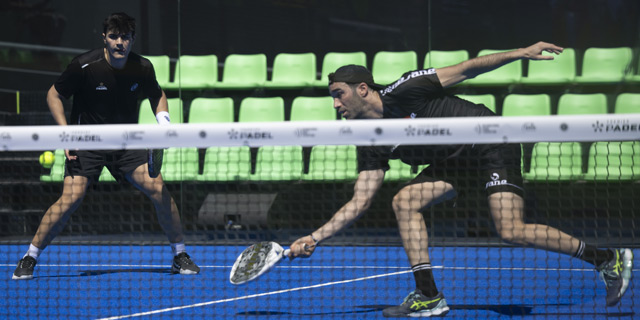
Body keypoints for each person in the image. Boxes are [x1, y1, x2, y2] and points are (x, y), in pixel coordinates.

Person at [288, 41, 633, 317]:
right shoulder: (369, 138)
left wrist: (521, 53)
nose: (336, 104)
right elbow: (360, 200)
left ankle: (606, 259)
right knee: (404, 201)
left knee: (510, 230)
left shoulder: (406, 89)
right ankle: (429, 296)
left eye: (339, 94)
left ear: (362, 89)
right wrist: (315, 237)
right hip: (454, 163)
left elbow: (468, 69)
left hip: (490, 141)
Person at [12, 12, 200, 280]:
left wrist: (164, 123)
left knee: (159, 188)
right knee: (70, 199)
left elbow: (157, 95)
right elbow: (54, 94)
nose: (119, 42)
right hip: (87, 143)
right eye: (114, 36)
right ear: (105, 38)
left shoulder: (143, 67)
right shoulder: (84, 66)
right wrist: (66, 135)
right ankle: (29, 257)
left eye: (125, 37)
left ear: (132, 39)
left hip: (125, 143)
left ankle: (180, 255)